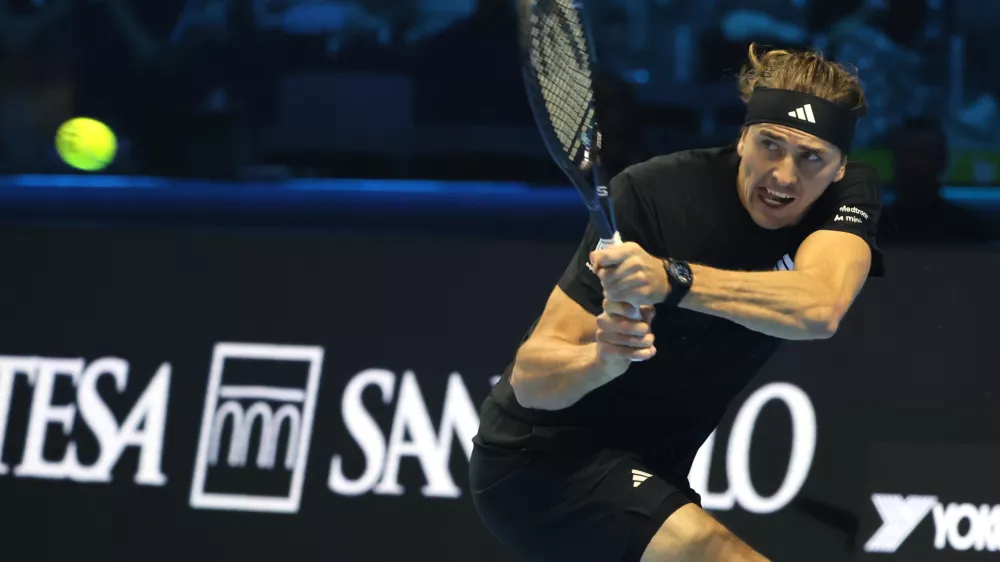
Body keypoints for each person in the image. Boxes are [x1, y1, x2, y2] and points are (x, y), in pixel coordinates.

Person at [469, 43, 883, 562]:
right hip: (541, 462)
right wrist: (600, 362)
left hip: (656, 471)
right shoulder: (653, 193)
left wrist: (672, 279)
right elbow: (531, 380)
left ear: (839, 169)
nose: (783, 175)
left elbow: (820, 307)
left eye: (810, 158)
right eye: (770, 144)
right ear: (742, 138)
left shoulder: (848, 198)